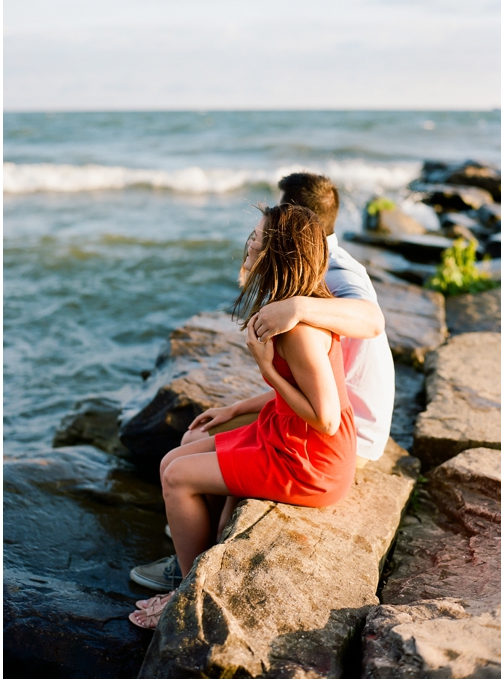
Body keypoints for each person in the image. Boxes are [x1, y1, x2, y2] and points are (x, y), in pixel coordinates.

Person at [129, 172, 395, 593]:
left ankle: (187, 586)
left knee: (177, 477)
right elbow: (311, 393)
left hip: (310, 459)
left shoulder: (300, 323)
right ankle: (196, 556)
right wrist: (237, 408)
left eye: (257, 237)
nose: (249, 244)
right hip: (290, 434)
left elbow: (327, 418)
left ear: (280, 248)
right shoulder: (292, 305)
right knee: (172, 460)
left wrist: (268, 370)